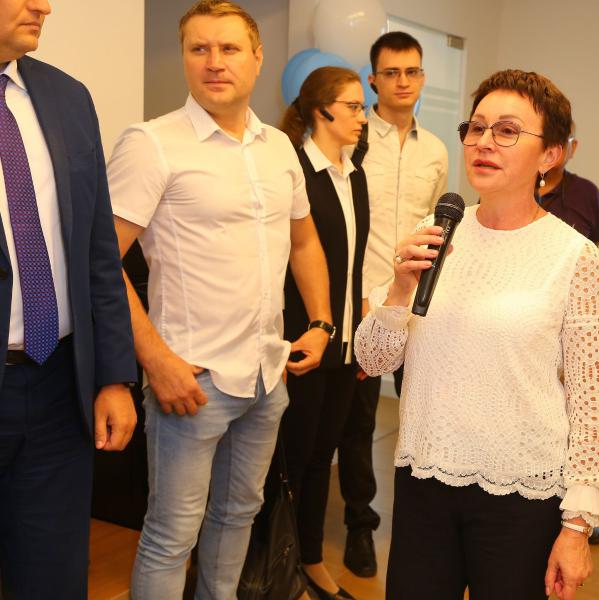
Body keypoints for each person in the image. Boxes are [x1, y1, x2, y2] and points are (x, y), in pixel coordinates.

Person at [355, 69, 599, 600]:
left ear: (550, 154)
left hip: (521, 493)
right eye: (476, 128)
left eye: (507, 131)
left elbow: (590, 401)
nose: (484, 143)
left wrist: (577, 526)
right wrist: (399, 290)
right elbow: (373, 361)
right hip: (423, 477)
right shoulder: (435, 230)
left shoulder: (574, 256)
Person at [107, 2, 332, 598]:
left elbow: (304, 241)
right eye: (198, 49)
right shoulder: (152, 143)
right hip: (192, 381)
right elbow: (100, 261)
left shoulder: (278, 147)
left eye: (229, 48)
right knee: (170, 535)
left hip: (266, 374)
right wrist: (156, 361)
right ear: (184, 58)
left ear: (257, 58)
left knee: (238, 517)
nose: (213, 62)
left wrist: (321, 322)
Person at [0, 1, 138, 598]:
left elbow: (98, 251)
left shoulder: (67, 97)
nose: (43, 5)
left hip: (59, 387)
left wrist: (113, 376)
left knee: (54, 577)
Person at [338, 30, 448, 579]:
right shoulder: (353, 141)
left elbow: (439, 229)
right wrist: (356, 298)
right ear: (373, 80)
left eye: (412, 72)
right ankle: (359, 524)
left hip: (417, 305)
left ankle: (421, 524)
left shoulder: (437, 150)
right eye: (391, 73)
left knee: (421, 413)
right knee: (357, 423)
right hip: (362, 301)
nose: (403, 82)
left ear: (422, 77)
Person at [277, 66, 369, 600]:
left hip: (345, 341)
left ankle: (309, 560)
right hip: (302, 340)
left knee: (321, 459)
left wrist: (359, 335)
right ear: (321, 111)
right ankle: (278, 567)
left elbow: (353, 266)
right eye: (353, 106)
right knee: (292, 461)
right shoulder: (295, 171)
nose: (362, 117)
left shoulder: (354, 173)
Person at [537, 122, 599, 546]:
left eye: (562, 145)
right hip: (528, 325)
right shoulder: (511, 191)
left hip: (574, 319)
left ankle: (580, 509)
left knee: (582, 411)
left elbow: (593, 251)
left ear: (569, 148)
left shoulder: (586, 195)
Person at [537, 122, 599, 245]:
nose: (554, 149)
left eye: (561, 141)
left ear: (573, 147)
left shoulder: (587, 193)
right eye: (548, 140)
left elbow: (592, 249)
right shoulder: (514, 186)